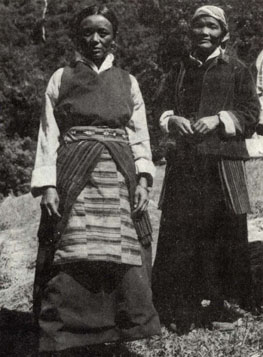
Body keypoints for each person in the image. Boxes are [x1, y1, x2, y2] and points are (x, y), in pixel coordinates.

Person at [31, 4, 160, 355]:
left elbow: (139, 134)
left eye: (103, 32)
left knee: (120, 246)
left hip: (119, 172)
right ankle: (66, 332)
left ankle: (119, 328)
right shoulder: (61, 77)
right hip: (74, 172)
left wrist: (144, 180)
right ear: (77, 36)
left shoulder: (128, 82)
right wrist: (48, 185)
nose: (95, 39)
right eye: (87, 32)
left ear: (114, 37)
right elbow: (48, 133)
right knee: (72, 246)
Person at [153, 5, 260, 332]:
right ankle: (180, 306)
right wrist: (172, 119)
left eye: (212, 27)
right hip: (185, 165)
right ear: (190, 32)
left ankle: (218, 307)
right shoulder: (178, 69)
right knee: (182, 235)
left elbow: (251, 116)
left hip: (223, 166)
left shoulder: (238, 70)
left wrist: (219, 119)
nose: (204, 32)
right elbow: (159, 106)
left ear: (223, 34)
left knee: (222, 235)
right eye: (198, 26)